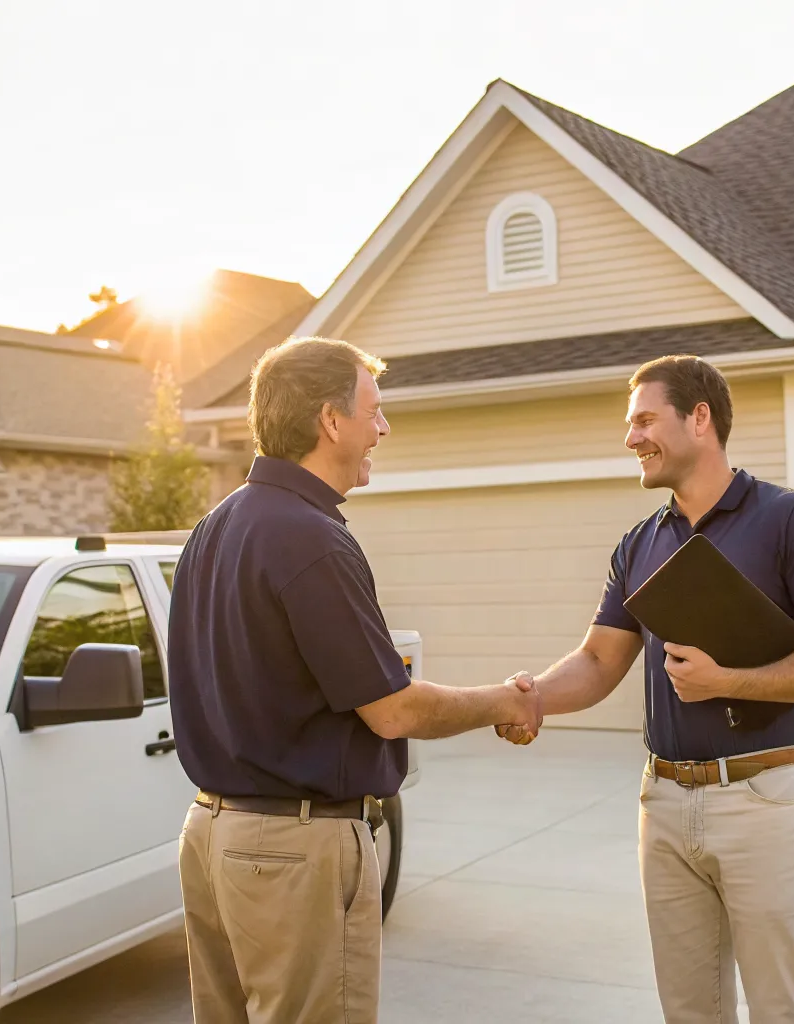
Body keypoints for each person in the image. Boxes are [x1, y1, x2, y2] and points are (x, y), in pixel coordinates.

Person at [167, 337, 544, 1024]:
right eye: (374, 410)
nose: (383, 428)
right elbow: (391, 710)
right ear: (329, 420)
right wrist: (503, 700)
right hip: (291, 854)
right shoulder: (308, 537)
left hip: (210, 836)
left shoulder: (214, 529)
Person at [500, 354, 794, 1024]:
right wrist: (527, 699)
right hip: (665, 802)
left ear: (700, 418)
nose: (630, 437)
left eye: (644, 419)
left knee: (783, 1010)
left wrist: (726, 682)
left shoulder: (792, 522)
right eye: (629, 423)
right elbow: (598, 659)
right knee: (689, 1013)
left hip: (762, 799)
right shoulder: (639, 544)